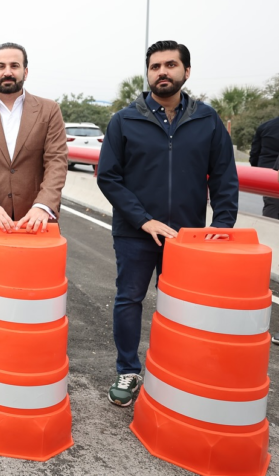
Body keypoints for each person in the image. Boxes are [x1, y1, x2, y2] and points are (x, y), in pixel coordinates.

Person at [97, 40, 238, 407]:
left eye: (171, 65)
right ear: (148, 73)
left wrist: (222, 225)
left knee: (184, 308)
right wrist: (145, 221)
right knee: (129, 299)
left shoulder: (208, 120)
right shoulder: (124, 120)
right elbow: (109, 178)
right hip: (135, 232)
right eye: (155, 66)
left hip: (189, 236)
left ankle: (176, 371)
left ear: (186, 72)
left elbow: (224, 177)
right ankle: (128, 370)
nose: (163, 71)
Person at [0, 43, 68, 259]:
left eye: (14, 66)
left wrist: (43, 205)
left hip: (36, 221)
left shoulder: (49, 110)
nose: (7, 72)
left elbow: (57, 162)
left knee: (33, 289)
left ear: (25, 72)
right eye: (1, 66)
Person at [249, 116, 279, 218]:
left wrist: (258, 171)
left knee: (272, 205)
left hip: (268, 173)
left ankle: (270, 231)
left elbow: (254, 153)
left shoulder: (265, 127)